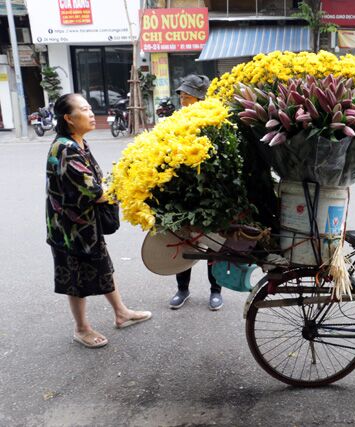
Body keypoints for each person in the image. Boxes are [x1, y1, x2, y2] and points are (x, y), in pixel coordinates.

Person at [46, 93, 152, 348]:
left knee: (103, 266)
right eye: (84, 109)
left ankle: (121, 313)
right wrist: (132, 190)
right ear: (69, 118)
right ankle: (81, 328)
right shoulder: (66, 149)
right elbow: (93, 191)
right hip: (69, 229)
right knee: (75, 276)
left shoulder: (78, 142)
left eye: (90, 108)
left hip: (85, 225)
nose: (92, 113)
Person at [169, 74, 224, 311]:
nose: (182, 98)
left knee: (213, 243)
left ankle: (215, 290)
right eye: (181, 94)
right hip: (184, 190)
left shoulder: (214, 121)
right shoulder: (175, 120)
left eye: (187, 95)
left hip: (211, 191)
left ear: (201, 98)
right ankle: (182, 289)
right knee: (184, 242)